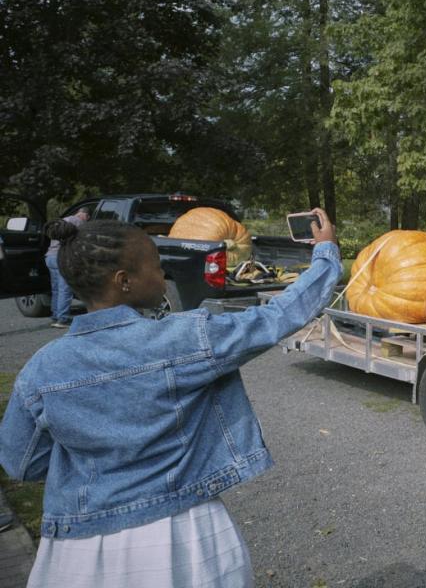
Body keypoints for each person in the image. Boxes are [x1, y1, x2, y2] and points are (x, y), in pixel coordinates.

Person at [0, 208, 340, 587]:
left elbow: (22, 463)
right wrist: (325, 251)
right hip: (186, 539)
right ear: (123, 281)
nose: (162, 274)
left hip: (79, 553)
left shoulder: (40, 369)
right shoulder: (186, 338)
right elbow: (280, 315)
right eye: (156, 266)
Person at [44, 207, 90, 327]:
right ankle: (62, 319)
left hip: (49, 257)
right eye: (87, 219)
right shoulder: (79, 222)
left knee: (56, 289)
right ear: (85, 215)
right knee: (65, 289)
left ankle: (55, 316)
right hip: (62, 258)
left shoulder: (62, 220)